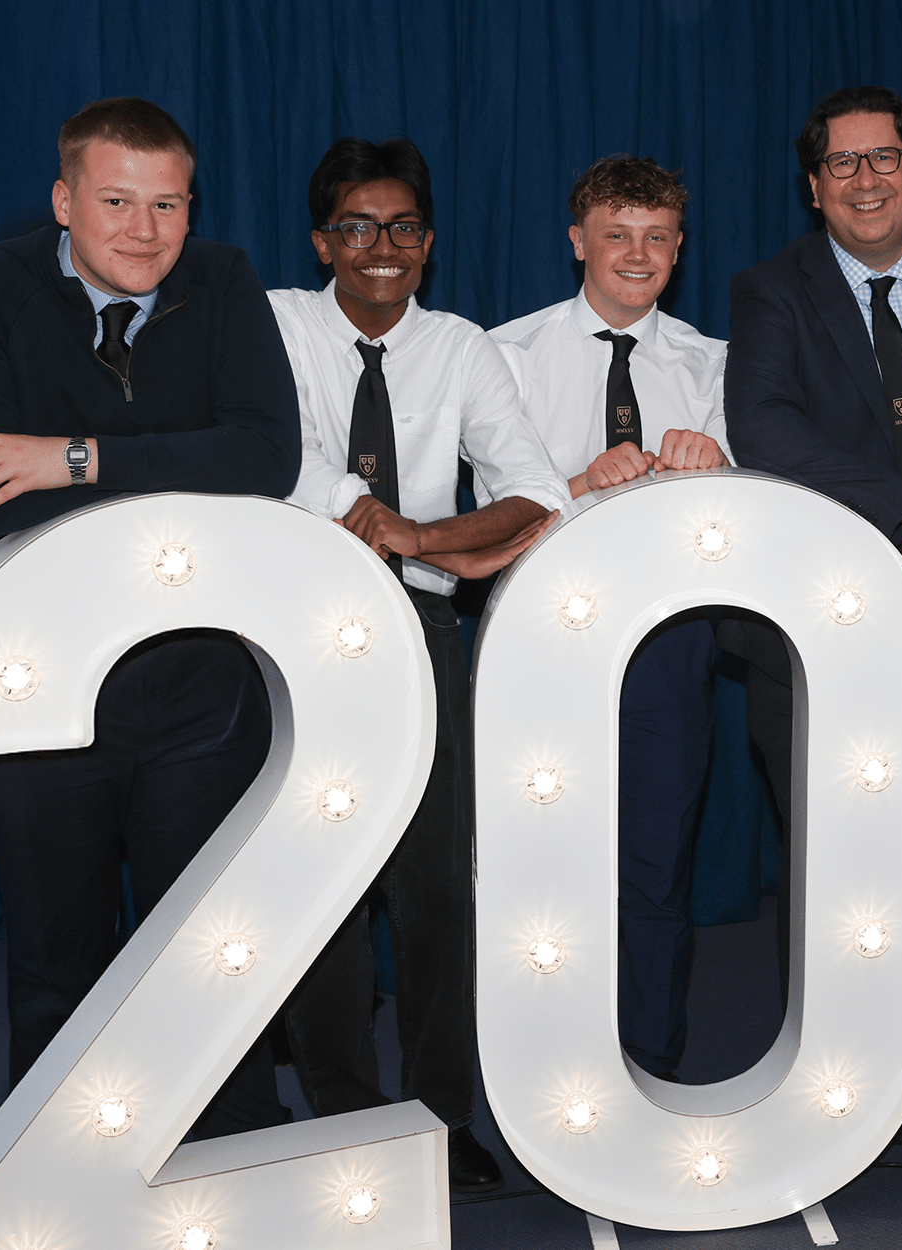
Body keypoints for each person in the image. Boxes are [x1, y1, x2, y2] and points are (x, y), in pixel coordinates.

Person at [0, 97, 298, 1139]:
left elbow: (267, 458)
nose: (144, 230)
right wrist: (180, 460)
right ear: (62, 201)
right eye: (117, 202)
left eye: (167, 204)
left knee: (213, 948)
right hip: (35, 680)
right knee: (59, 958)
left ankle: (237, 1167)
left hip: (200, 678)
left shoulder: (221, 278)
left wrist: (72, 456)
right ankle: (62, 1174)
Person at [722, 85, 902, 1144]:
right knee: (832, 865)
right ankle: (829, 1087)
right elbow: (761, 424)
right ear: (814, 187)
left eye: (884, 158)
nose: (865, 179)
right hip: (820, 635)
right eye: (842, 163)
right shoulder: (771, 291)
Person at [269, 136, 569, 1192]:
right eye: (356, 227)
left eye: (401, 227)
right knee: (323, 886)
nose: (381, 247)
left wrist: (422, 537)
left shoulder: (461, 348)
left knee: (436, 886)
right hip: (303, 631)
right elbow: (269, 453)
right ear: (323, 242)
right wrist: (359, 512)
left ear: (428, 243)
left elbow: (536, 490)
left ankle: (442, 1116)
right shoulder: (277, 323)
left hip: (422, 632)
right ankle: (346, 1111)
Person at [489, 156, 728, 1083]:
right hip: (541, 640)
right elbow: (486, 515)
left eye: (656, 236)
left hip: (669, 642)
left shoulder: (713, 364)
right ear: (577, 241)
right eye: (617, 233)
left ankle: (651, 1066)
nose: (637, 253)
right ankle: (540, 1068)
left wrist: (721, 467)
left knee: (657, 867)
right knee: (540, 869)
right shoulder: (507, 356)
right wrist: (580, 482)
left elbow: (746, 526)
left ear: (679, 247)